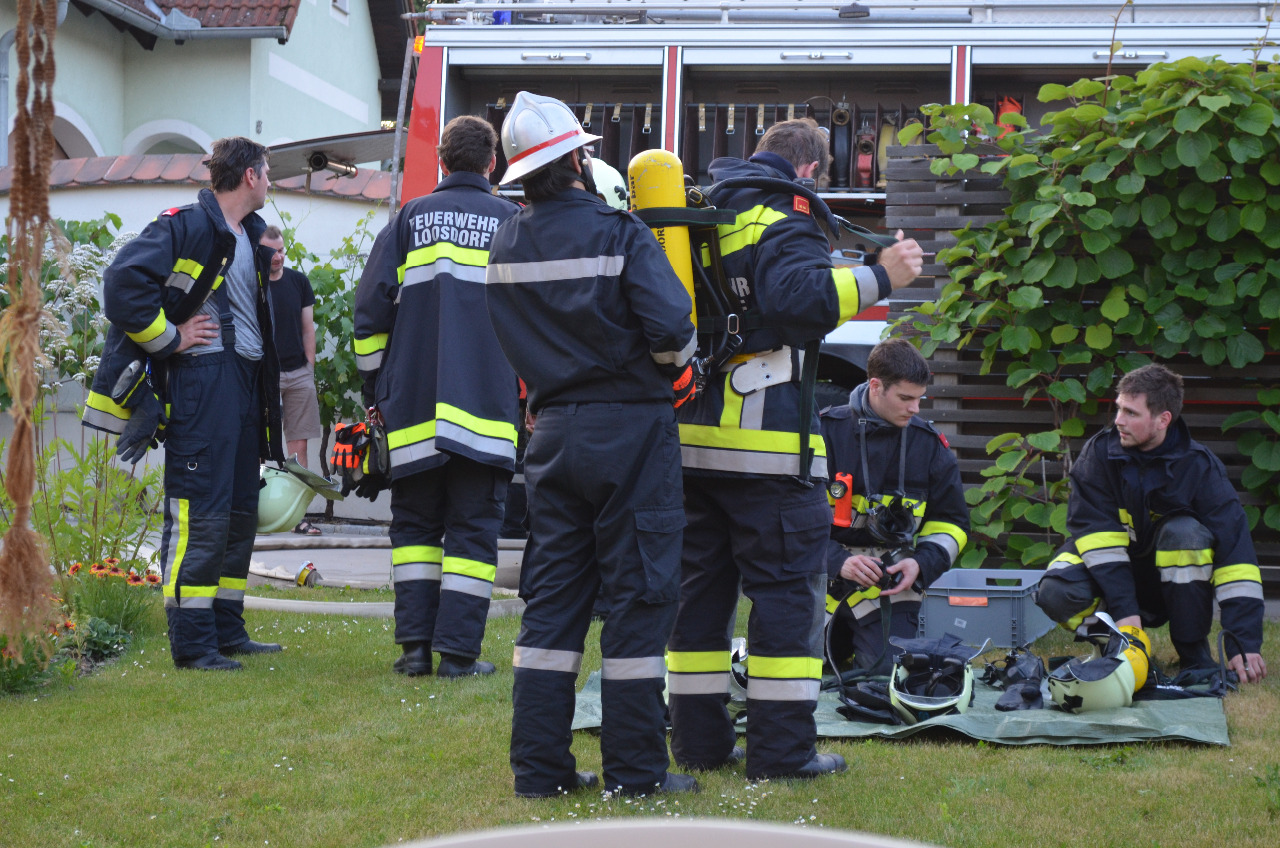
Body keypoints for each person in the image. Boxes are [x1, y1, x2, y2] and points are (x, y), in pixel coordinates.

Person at [666, 118, 924, 780]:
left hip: (692, 447)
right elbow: (799, 299)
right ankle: (781, 754)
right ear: (810, 170)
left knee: (700, 601)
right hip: (767, 452)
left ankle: (698, 744)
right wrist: (880, 276)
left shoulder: (702, 210)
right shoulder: (784, 213)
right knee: (786, 598)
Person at [485, 91, 699, 798]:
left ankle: (539, 772)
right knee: (639, 597)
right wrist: (676, 374)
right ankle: (635, 774)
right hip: (630, 432)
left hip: (551, 437)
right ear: (577, 161)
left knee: (554, 601)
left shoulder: (506, 243)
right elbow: (673, 330)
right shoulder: (620, 232)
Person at [82, 136, 284, 671]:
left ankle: (227, 629)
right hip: (203, 384)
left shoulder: (247, 234)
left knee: (239, 511)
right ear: (249, 175)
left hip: (243, 385)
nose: (271, 181)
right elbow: (121, 282)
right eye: (267, 172)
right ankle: (193, 644)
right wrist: (170, 339)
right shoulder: (187, 225)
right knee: (202, 511)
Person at [354, 115, 521, 679]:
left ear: (442, 163)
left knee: (416, 530)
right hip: (486, 409)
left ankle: (415, 651)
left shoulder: (408, 220)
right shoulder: (513, 223)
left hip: (413, 411)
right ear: (492, 164)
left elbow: (369, 317)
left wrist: (376, 389)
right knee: (474, 531)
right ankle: (459, 656)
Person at [1035, 363, 1267, 685]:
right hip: (1112, 577)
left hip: (1169, 587)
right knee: (1054, 592)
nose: (1118, 420)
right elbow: (1097, 541)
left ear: (1163, 420)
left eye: (1131, 412)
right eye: (1119, 408)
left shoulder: (1199, 468)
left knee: (1185, 534)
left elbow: (1236, 558)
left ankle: (1193, 654)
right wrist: (1127, 622)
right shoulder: (1098, 456)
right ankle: (1117, 645)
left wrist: (1243, 641)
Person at [820, 338, 969, 674]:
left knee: (885, 678)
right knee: (788, 668)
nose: (915, 409)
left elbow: (952, 524)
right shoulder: (825, 434)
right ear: (875, 386)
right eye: (905, 398)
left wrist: (920, 564)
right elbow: (789, 519)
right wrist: (838, 562)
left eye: (919, 398)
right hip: (820, 576)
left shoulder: (929, 446)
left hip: (888, 585)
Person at [261, 225, 324, 535]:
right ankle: (256, 515)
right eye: (272, 251)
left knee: (298, 450)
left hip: (298, 374)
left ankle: (299, 517)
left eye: (281, 250)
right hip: (263, 376)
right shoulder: (253, 284)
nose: (278, 256)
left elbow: (307, 328)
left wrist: (308, 368)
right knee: (258, 445)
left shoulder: (299, 282)